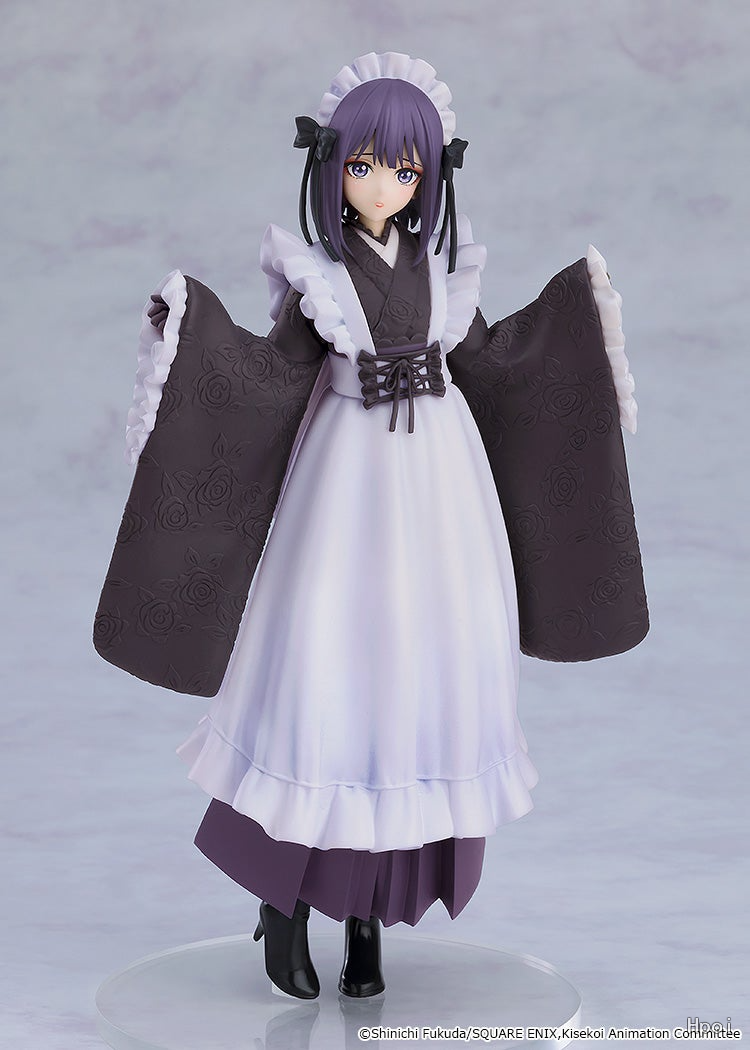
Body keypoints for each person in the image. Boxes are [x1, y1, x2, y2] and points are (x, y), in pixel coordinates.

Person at [95, 52, 648, 1001]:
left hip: (440, 485)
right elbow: (267, 374)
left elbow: (492, 356)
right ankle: (284, 904)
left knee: (417, 687)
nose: (383, 186)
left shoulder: (442, 272)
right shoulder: (320, 275)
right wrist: (191, 329)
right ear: (332, 167)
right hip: (345, 486)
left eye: (403, 168)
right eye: (362, 166)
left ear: (429, 175)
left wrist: (573, 333)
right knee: (327, 680)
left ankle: (367, 919)